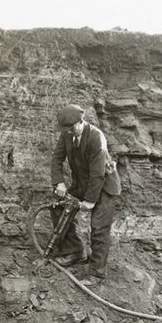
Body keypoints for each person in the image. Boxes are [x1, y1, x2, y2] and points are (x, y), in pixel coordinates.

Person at [49, 104, 121, 282]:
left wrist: (89, 202)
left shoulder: (96, 137)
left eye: (72, 128)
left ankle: (97, 272)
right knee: (57, 206)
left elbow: (98, 174)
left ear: (81, 122)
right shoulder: (67, 133)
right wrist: (59, 183)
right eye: (66, 129)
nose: (69, 132)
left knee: (98, 228)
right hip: (82, 184)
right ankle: (74, 251)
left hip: (104, 186)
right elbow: (57, 158)